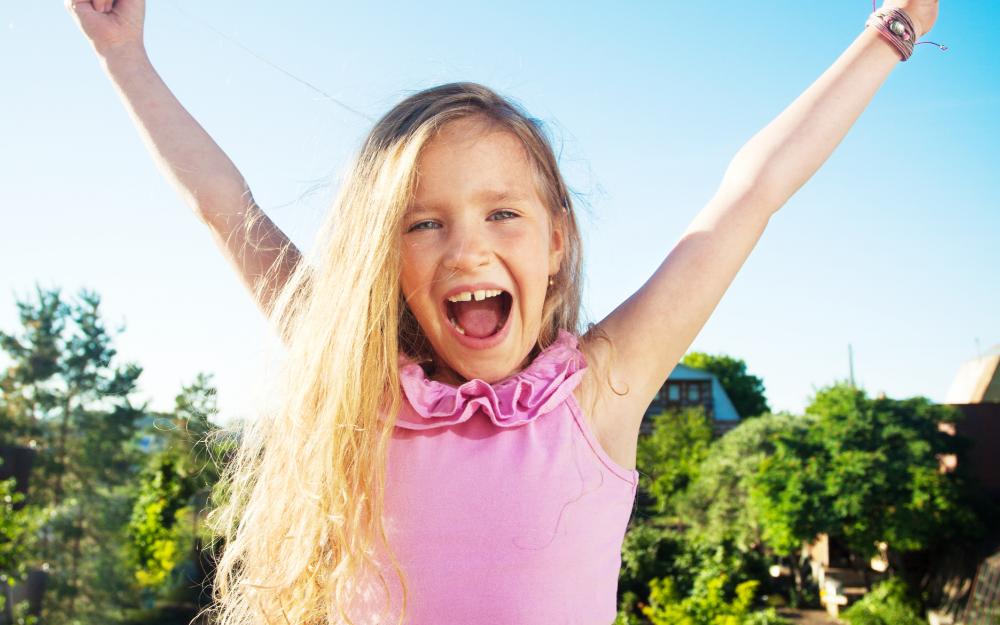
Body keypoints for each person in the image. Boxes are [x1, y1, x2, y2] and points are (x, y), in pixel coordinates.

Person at [66, 1, 940, 623]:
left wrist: (891, 29)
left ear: (557, 242)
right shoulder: (352, 378)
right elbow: (230, 210)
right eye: (425, 222)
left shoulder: (602, 392)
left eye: (502, 213)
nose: (468, 249)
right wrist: (124, 57)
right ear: (385, 258)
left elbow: (748, 196)